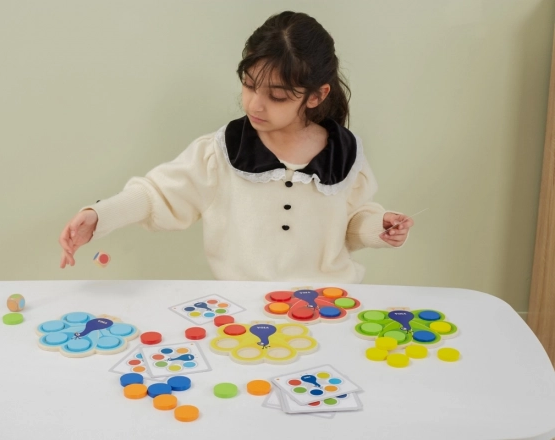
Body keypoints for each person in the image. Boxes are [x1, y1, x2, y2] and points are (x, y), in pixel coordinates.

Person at [58, 11, 414, 282]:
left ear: (316, 96)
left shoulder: (345, 153)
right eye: (248, 86)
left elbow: (349, 221)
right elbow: (157, 195)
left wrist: (377, 227)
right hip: (243, 312)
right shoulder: (223, 151)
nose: (255, 105)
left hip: (329, 307)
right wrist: (99, 215)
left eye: (276, 96)